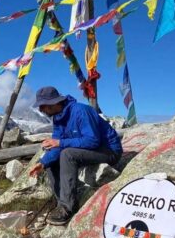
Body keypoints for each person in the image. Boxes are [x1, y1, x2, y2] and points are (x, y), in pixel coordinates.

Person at [29, 86, 122, 226]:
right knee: (51, 161)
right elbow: (56, 146)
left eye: (43, 106)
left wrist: (60, 142)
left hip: (109, 150)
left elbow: (93, 140)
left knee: (67, 154)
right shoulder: (58, 118)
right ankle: (62, 203)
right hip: (88, 151)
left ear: (54, 103)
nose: (41, 110)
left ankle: (68, 207)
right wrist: (43, 163)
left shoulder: (81, 111)